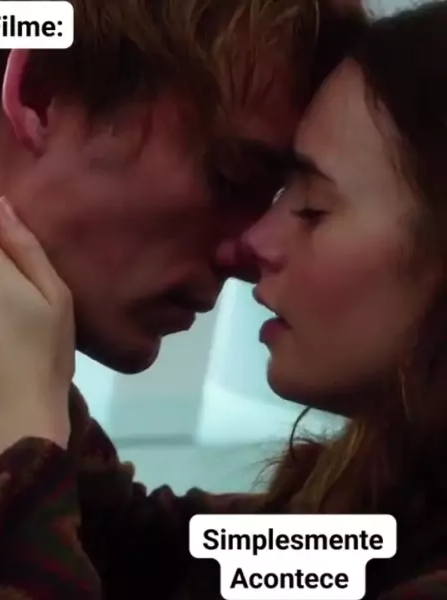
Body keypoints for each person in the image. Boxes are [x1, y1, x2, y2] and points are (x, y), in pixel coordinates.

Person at [0, 0, 366, 598]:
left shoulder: (7, 359)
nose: (250, 250)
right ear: (42, 94)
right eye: (232, 177)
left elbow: (140, 555)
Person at [242, 0, 447, 597]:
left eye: (312, 208)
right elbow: (134, 543)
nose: (255, 241)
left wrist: (26, 452)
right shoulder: (373, 504)